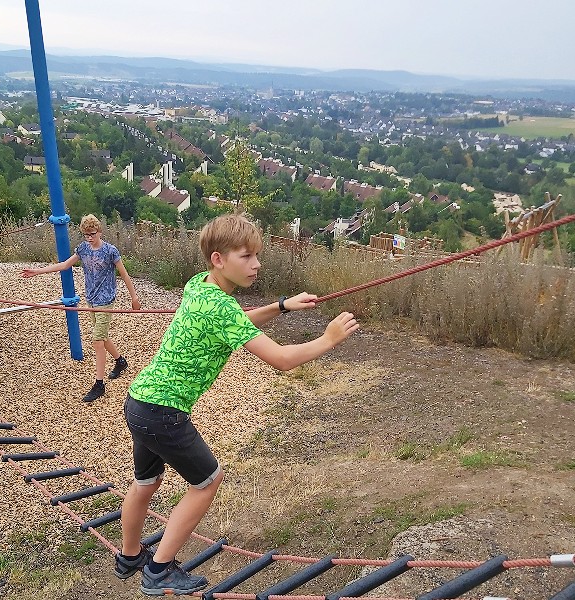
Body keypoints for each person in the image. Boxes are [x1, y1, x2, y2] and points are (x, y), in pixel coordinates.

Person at [114, 213, 359, 596]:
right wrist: (328, 339)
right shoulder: (219, 306)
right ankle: (159, 569)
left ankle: (130, 557)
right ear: (218, 259)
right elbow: (280, 359)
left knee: (147, 481)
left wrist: (282, 306)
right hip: (163, 412)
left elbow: (238, 321)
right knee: (207, 481)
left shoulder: (200, 286)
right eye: (246, 256)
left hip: (140, 401)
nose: (256, 264)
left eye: (256, 255)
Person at [21, 214, 141, 403]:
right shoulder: (83, 249)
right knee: (102, 336)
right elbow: (65, 264)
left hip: (106, 300)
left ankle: (99, 384)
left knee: (97, 341)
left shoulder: (110, 251)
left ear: (99, 232)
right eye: (86, 234)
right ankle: (120, 361)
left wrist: (134, 297)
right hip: (91, 299)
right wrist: (37, 271)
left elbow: (124, 274)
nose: (89, 237)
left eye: (92, 234)